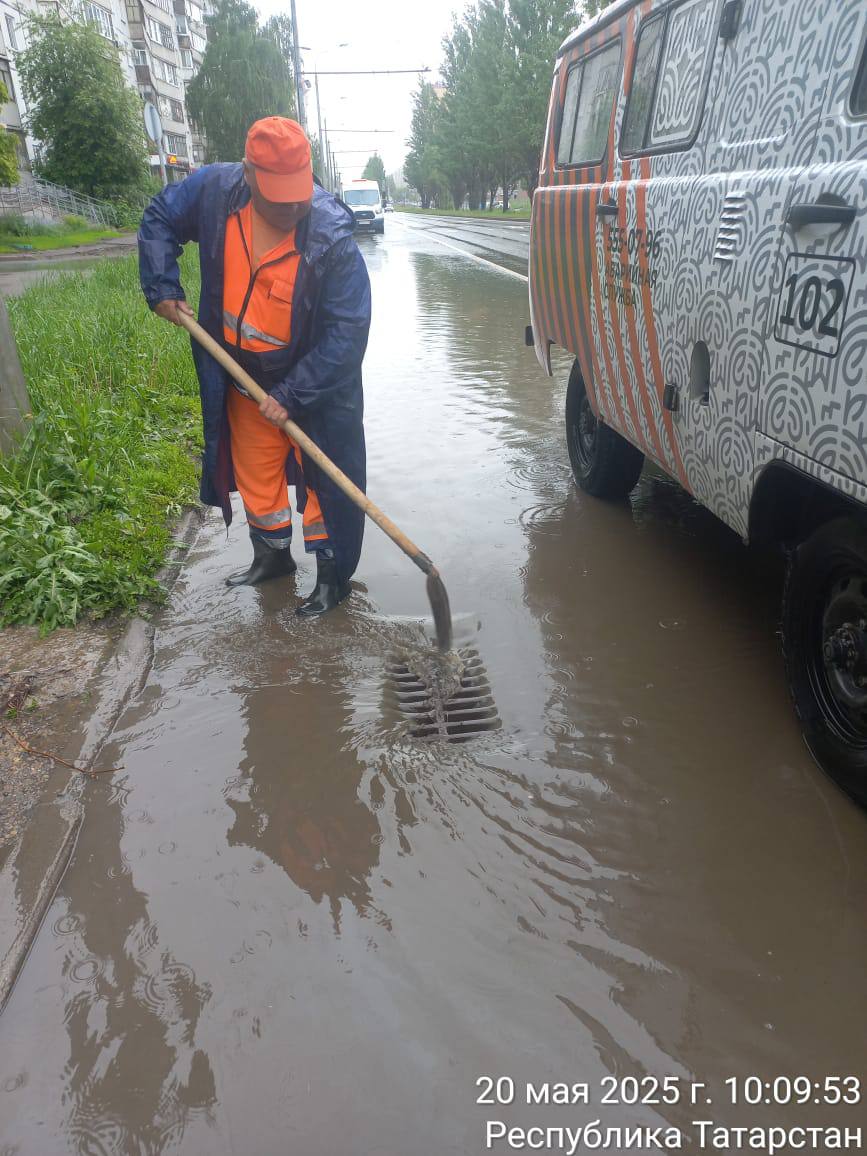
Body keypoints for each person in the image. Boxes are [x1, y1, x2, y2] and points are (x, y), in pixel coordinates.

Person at [138, 117, 371, 616]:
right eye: (278, 195)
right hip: (240, 370)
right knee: (255, 472)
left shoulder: (332, 238)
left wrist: (292, 394)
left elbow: (346, 335)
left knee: (328, 482)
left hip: (314, 382)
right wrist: (162, 284)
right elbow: (159, 215)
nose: (292, 206)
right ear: (248, 174)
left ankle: (331, 578)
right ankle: (272, 558)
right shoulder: (216, 192)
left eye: (299, 194)